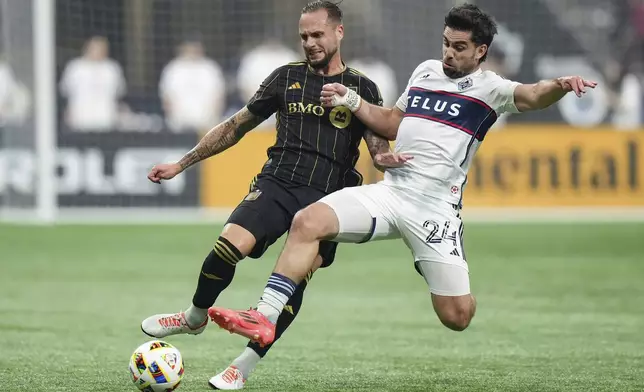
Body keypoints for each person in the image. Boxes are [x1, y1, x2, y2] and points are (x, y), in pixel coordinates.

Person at [206, 3, 597, 350]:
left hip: (434, 213)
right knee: (307, 220)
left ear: (481, 51)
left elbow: (533, 95)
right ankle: (264, 314)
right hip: (392, 192)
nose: (448, 52)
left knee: (456, 316)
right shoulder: (426, 71)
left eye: (459, 47)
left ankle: (449, 268)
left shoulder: (491, 88)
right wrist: (353, 101)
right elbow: (391, 121)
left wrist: (560, 86)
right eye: (446, 42)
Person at [140, 1, 398, 389]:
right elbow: (235, 126)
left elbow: (377, 149)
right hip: (277, 182)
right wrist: (182, 163)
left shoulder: (363, 88)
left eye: (317, 35)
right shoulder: (284, 78)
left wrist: (387, 161)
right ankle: (194, 316)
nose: (310, 43)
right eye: (304, 36)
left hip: (328, 201)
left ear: (338, 33)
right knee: (228, 245)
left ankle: (241, 368)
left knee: (294, 283)